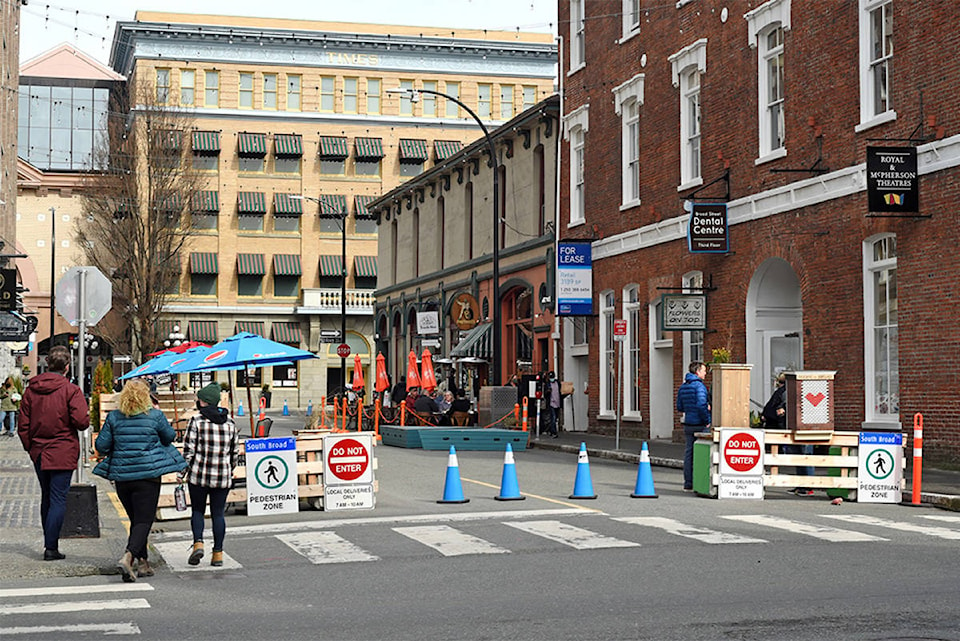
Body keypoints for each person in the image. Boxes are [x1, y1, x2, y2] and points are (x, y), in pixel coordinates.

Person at [93, 380, 186, 581]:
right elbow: (169, 437)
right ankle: (128, 557)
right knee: (144, 520)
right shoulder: (155, 416)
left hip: (122, 477)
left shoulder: (114, 417)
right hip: (148, 475)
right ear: (146, 396)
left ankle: (143, 564)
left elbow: (102, 445)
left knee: (137, 520)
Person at [18, 345, 90, 560]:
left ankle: (49, 543)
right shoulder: (71, 391)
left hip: (40, 450)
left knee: (47, 497)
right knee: (58, 499)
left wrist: (31, 448)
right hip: (63, 449)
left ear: (47, 364)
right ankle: (51, 547)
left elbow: (23, 425)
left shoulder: (31, 390)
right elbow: (81, 422)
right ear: (67, 367)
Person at [179, 383, 239, 567]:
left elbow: (189, 451)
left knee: (198, 510)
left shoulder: (196, 422)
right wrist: (229, 469)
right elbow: (234, 454)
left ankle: (198, 543)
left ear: (204, 402)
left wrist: (182, 472)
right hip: (222, 477)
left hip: (199, 475)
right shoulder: (230, 424)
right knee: (218, 514)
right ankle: (218, 554)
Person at [763, 373, 814, 495]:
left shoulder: (786, 393)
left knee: (803, 457)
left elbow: (777, 408)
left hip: (796, 428)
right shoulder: (799, 392)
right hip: (805, 428)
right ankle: (803, 486)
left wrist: (780, 412)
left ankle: (806, 487)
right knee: (804, 457)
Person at [676, 361, 711, 493]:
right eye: (704, 370)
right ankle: (700, 483)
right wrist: (707, 419)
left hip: (688, 422)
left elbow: (679, 406)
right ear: (697, 372)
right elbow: (702, 405)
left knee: (689, 453)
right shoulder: (700, 387)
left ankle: (688, 483)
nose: (705, 373)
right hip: (700, 424)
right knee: (702, 452)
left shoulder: (683, 387)